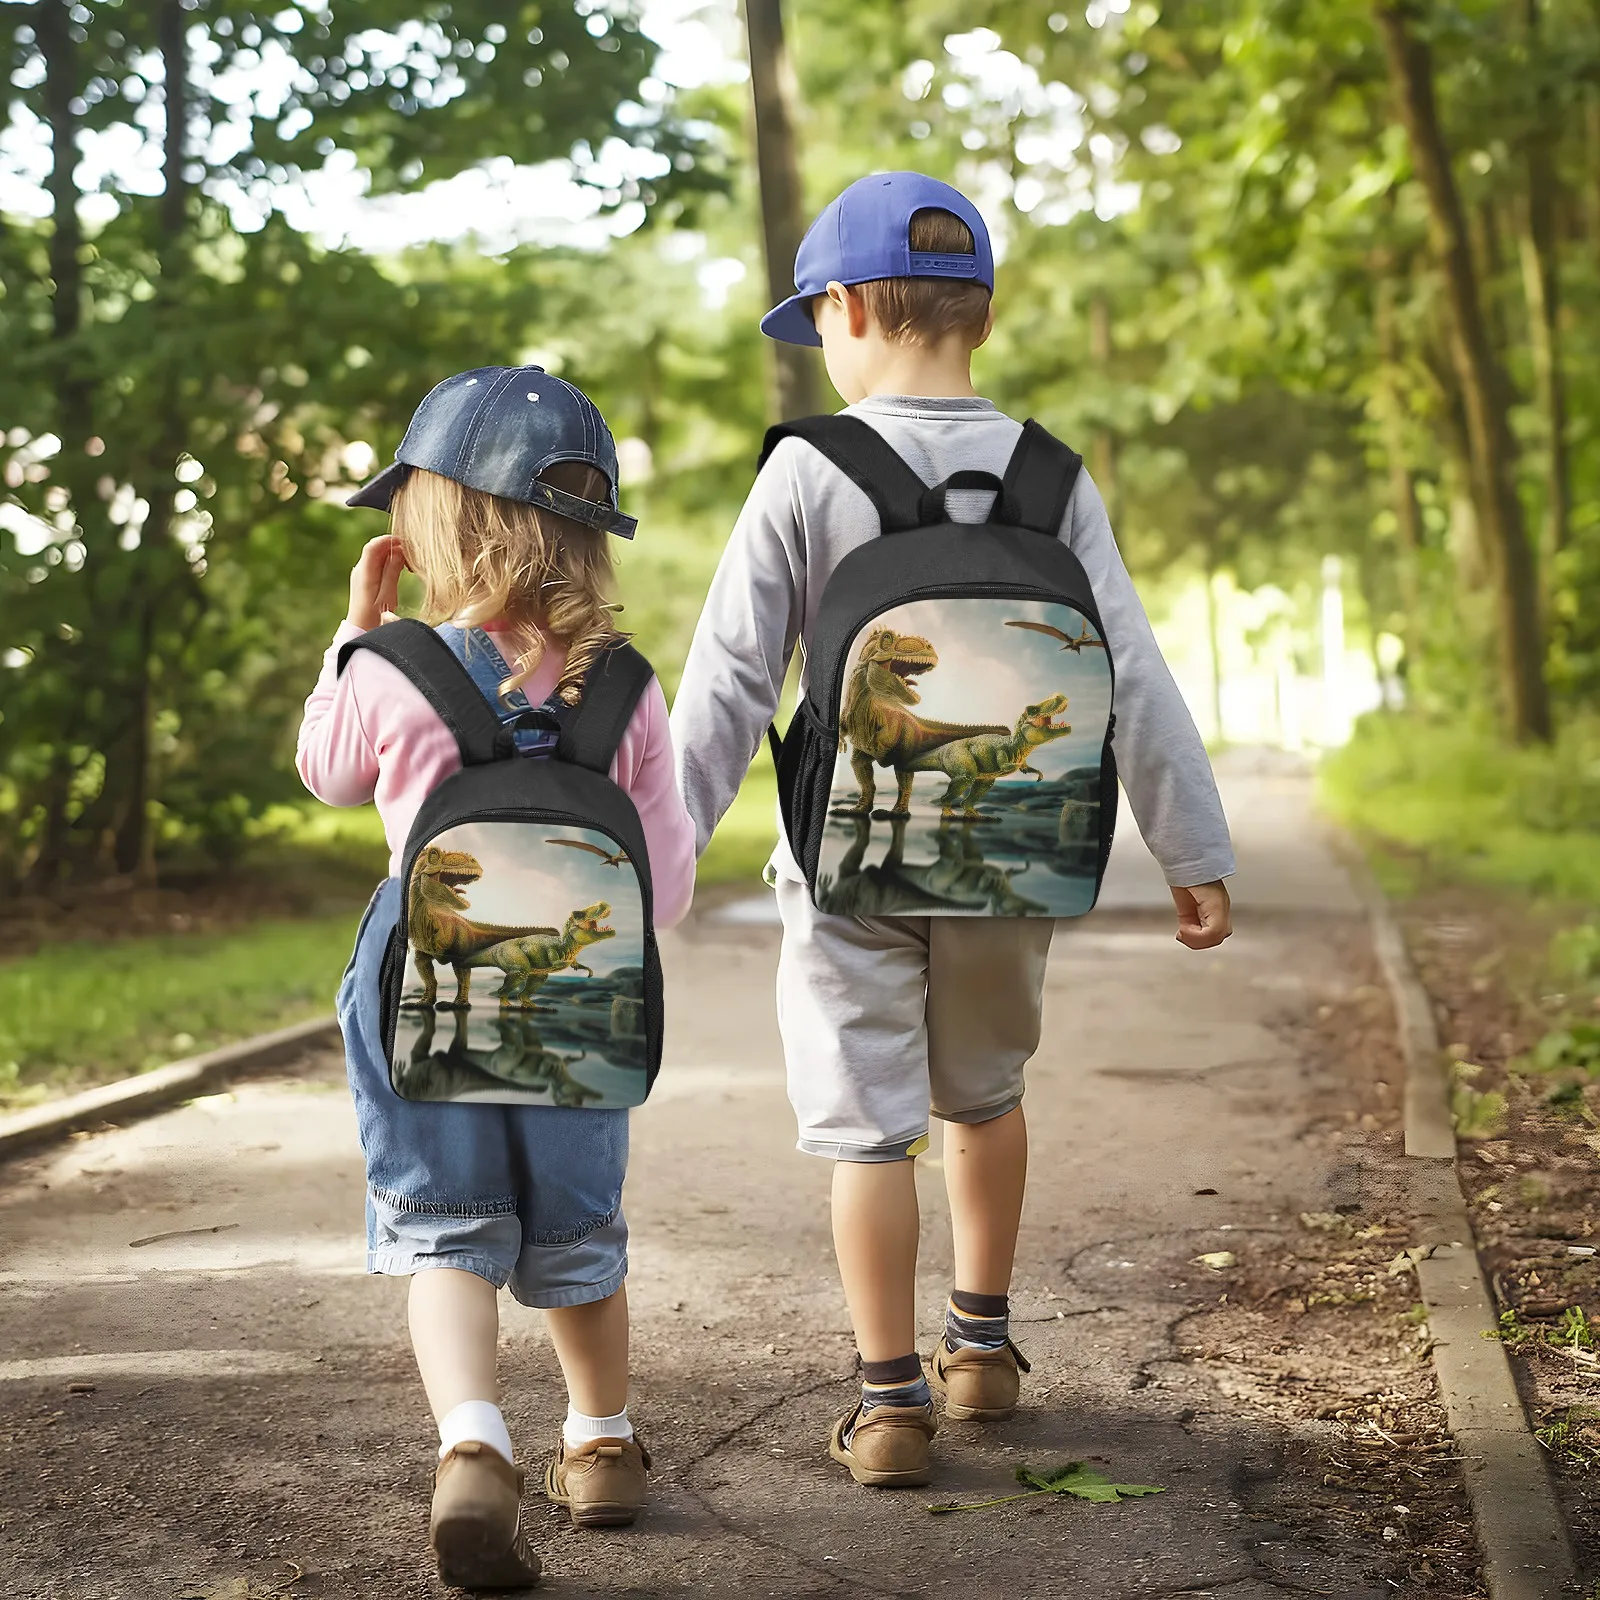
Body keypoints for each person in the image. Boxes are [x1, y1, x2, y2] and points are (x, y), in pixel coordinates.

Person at [669, 174, 1235, 1488]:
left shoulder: (809, 470)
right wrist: (1191, 849)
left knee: (867, 1128)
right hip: (1010, 861)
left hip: (846, 860)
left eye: (818, 324)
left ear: (849, 309)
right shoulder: (1051, 474)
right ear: (982, 313)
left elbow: (731, 675)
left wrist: (667, 845)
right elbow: (1132, 670)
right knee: (984, 1098)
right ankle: (981, 1347)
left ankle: (888, 1406)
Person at [297, 367, 696, 1586]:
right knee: (577, 1225)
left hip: (421, 983)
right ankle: (604, 1440)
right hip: (579, 1000)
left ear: (431, 525)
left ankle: (472, 1442)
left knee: (445, 1226)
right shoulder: (626, 685)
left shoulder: (391, 667)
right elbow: (665, 885)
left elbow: (325, 775)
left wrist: (356, 637)